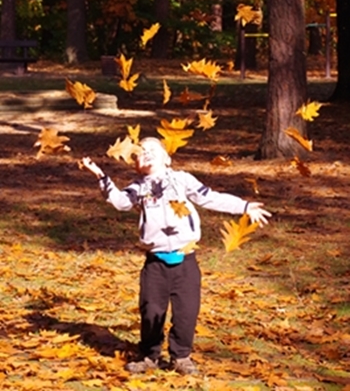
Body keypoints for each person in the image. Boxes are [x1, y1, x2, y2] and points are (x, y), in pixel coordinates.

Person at [81, 137, 272, 375]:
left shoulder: (182, 180)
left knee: (187, 312)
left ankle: (181, 356)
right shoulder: (138, 187)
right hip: (155, 264)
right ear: (136, 165)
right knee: (151, 311)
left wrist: (244, 206)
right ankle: (149, 355)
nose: (147, 152)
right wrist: (100, 175)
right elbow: (120, 202)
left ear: (167, 158)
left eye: (153, 149)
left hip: (186, 261)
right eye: (141, 152)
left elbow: (210, 197)